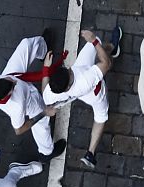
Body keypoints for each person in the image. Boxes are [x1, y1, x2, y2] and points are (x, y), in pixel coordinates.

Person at [0, 37, 65, 160]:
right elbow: (19, 130)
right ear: (9, 94)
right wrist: (44, 113)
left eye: (8, 80)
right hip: (30, 102)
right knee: (42, 125)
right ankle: (47, 151)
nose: (12, 81)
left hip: (14, 74)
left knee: (26, 44)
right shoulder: (17, 107)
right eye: (12, 84)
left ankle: (42, 51)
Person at [43, 30, 119, 171]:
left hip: (82, 91)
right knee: (101, 116)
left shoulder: (53, 91)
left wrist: (46, 68)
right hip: (96, 93)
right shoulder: (86, 78)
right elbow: (106, 64)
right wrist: (93, 40)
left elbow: (45, 94)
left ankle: (91, 153)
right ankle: (113, 48)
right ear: (67, 71)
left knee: (99, 118)